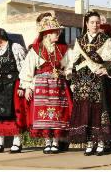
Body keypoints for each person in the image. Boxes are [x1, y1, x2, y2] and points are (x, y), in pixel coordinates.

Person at [68, 11, 111, 156]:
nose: (95, 25)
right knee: (85, 110)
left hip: (98, 79)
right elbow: (74, 62)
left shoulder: (105, 39)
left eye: (97, 22)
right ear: (86, 24)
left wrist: (106, 69)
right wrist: (73, 81)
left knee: (99, 110)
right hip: (82, 79)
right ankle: (89, 142)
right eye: (92, 22)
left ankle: (100, 142)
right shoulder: (79, 40)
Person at [20, 13, 74, 154]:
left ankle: (55, 142)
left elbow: (69, 66)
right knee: (42, 114)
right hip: (41, 87)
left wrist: (66, 72)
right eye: (56, 32)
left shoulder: (62, 49)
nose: (58, 34)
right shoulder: (36, 49)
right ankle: (47, 142)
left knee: (58, 113)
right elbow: (28, 69)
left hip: (58, 86)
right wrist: (27, 87)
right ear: (48, 33)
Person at [0, 27, 27, 153]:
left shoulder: (15, 47)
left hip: (13, 84)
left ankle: (17, 142)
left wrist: (22, 86)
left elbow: (23, 67)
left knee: (14, 114)